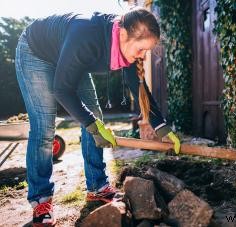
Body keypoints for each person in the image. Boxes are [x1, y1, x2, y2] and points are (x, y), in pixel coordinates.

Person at [15, 7, 180, 226]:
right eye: (141, 49)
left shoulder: (125, 49)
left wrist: (161, 126)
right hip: (36, 52)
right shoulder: (86, 36)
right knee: (45, 127)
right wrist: (93, 126)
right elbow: (62, 89)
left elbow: (139, 88)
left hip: (69, 56)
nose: (142, 55)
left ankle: (97, 186)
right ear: (123, 34)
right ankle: (41, 198)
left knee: (95, 116)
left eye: (146, 51)